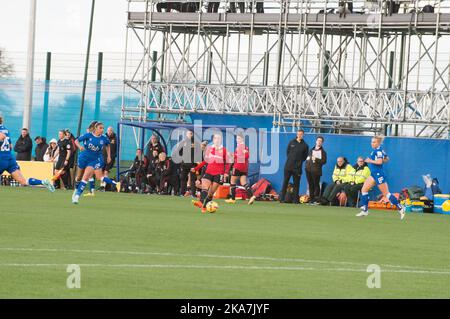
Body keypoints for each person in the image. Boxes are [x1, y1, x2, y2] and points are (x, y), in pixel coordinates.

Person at [0, 115, 55, 192]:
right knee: (24, 181)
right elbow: (11, 146)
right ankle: (43, 182)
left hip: (1, 158)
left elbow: (1, 137)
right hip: (9, 158)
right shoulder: (5, 129)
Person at [357, 136, 405, 219]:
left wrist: (370, 161)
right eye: (372, 142)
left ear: (378, 143)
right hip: (374, 174)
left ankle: (400, 207)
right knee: (364, 190)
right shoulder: (378, 150)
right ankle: (365, 210)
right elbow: (387, 159)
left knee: (386, 194)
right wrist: (381, 160)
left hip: (379, 174)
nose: (372, 143)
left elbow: (379, 162)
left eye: (374, 142)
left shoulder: (378, 150)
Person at [72, 122, 119, 204]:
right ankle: (76, 189)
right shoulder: (88, 135)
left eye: (103, 128)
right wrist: (80, 147)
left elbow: (108, 145)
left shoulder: (104, 138)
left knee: (86, 177)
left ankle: (77, 197)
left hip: (94, 160)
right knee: (79, 177)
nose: (102, 130)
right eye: (100, 128)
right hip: (84, 157)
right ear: (96, 128)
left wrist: (109, 156)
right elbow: (76, 141)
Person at [192, 133, 232, 213]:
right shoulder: (209, 149)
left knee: (210, 194)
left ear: (220, 140)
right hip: (209, 172)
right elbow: (205, 161)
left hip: (218, 174)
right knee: (204, 188)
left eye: (218, 138)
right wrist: (196, 168)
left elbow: (228, 163)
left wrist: (226, 173)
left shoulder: (224, 150)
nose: (217, 140)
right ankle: (200, 203)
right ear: (213, 140)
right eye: (215, 138)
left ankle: (204, 206)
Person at [225, 133, 256, 205]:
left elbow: (241, 156)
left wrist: (233, 155)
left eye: (238, 138)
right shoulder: (246, 147)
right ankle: (252, 196)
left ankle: (232, 199)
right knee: (244, 183)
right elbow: (247, 155)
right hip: (245, 167)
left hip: (238, 166)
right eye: (237, 138)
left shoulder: (239, 147)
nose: (237, 140)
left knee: (232, 181)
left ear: (242, 139)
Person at [280, 129, 309, 204]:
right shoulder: (291, 142)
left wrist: (298, 163)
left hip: (297, 168)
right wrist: (291, 161)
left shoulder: (305, 145)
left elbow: (304, 157)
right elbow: (288, 153)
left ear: (303, 135)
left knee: (296, 184)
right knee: (285, 182)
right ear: (297, 134)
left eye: (301, 134)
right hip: (288, 167)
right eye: (298, 134)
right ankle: (282, 198)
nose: (299, 135)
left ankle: (295, 200)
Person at [173, 130, 201, 197]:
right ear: (186, 134)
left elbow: (198, 153)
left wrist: (196, 161)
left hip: (192, 165)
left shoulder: (196, 143)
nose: (190, 135)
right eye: (189, 133)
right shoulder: (183, 142)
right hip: (184, 164)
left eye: (191, 133)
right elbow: (178, 152)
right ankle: (182, 193)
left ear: (193, 134)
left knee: (193, 179)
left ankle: (193, 194)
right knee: (183, 178)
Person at [305, 136, 327, 204]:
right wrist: (306, 166)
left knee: (316, 185)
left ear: (322, 143)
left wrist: (316, 159)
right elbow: (308, 158)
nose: (319, 142)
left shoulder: (323, 152)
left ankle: (316, 199)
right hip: (308, 170)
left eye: (320, 141)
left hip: (316, 171)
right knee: (310, 185)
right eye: (318, 140)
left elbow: (324, 161)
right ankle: (311, 199)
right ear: (316, 141)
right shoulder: (311, 150)